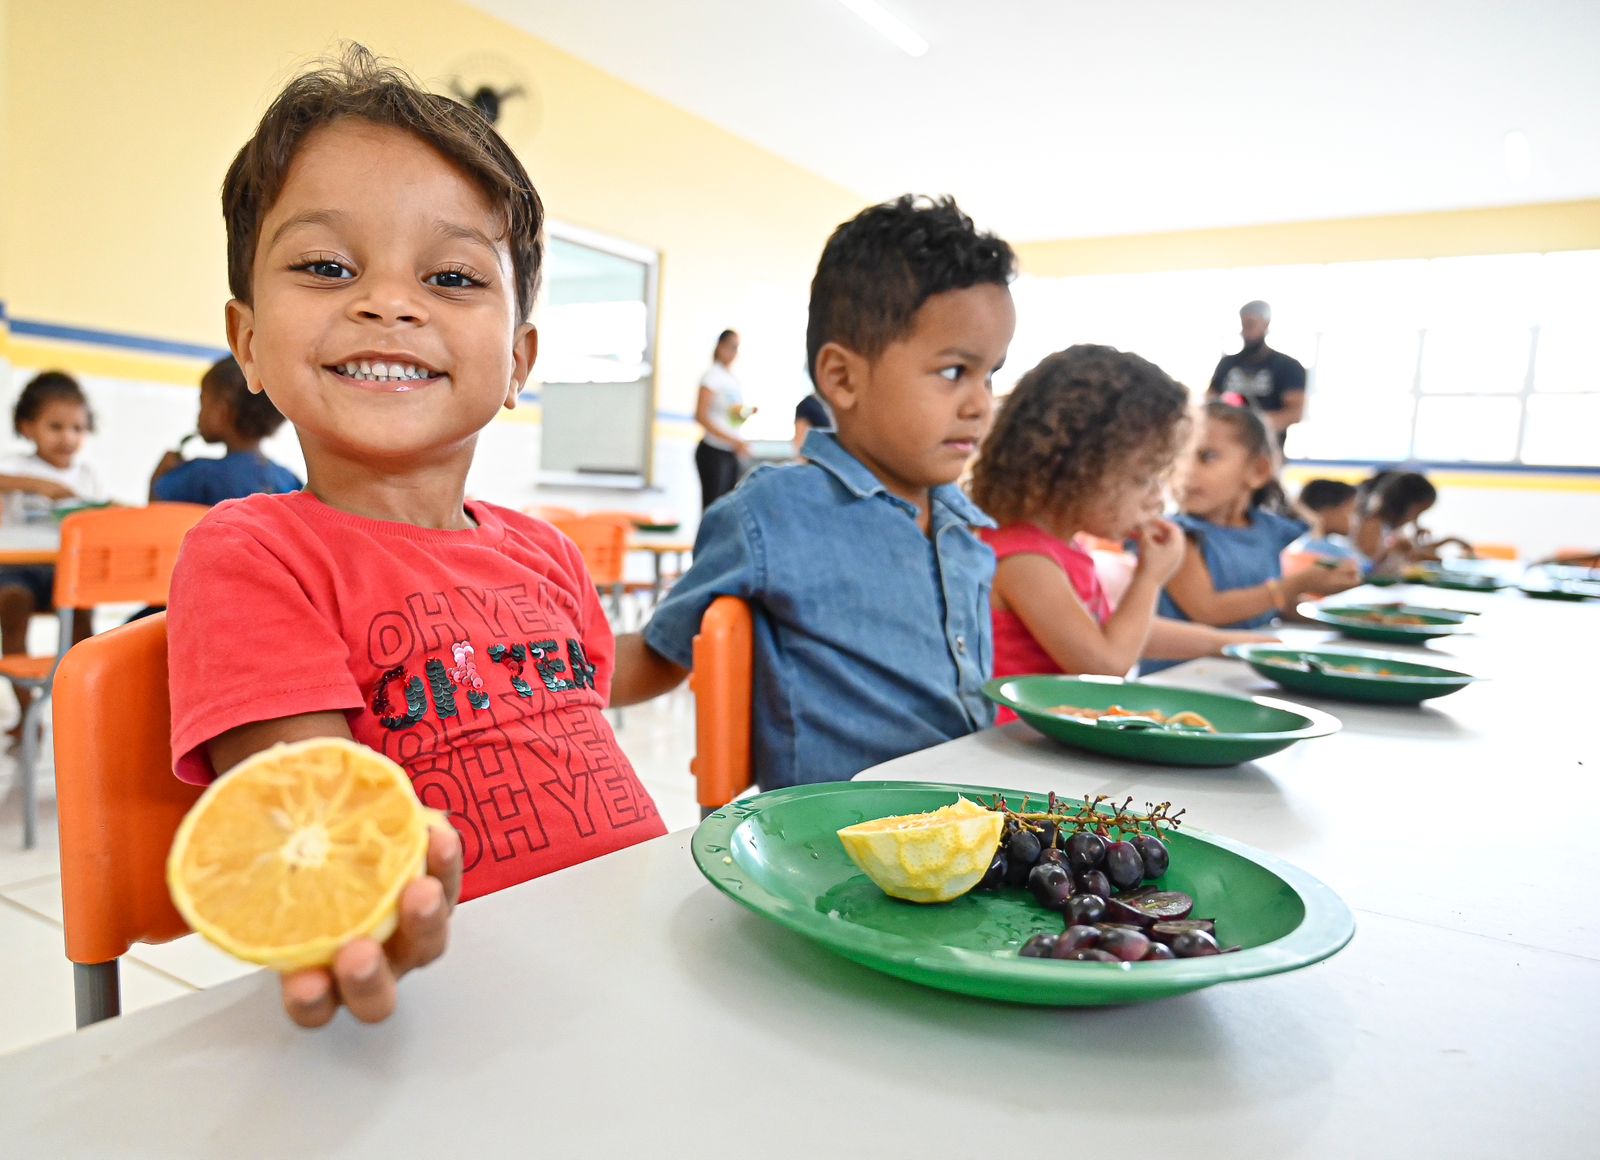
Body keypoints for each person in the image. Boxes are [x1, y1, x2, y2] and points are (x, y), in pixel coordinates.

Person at [165, 46, 665, 1028]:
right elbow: (317, 831)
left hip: (627, 971)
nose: (388, 303)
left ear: (519, 358)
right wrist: (373, 917)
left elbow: (584, 738)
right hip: (435, 1009)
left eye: (449, 275)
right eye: (325, 266)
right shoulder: (252, 554)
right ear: (249, 338)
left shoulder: (547, 551)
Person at [611, 195, 1017, 788]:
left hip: (971, 829)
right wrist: (528, 682)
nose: (981, 403)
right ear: (843, 378)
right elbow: (659, 653)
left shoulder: (966, 529)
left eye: (992, 375)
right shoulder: (775, 514)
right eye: (955, 372)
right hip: (840, 849)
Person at [967, 345, 1275, 717]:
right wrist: (1150, 578)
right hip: (1009, 750)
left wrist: (1226, 644)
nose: (1156, 501)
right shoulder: (1025, 560)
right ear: (1083, 469)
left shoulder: (1060, 547)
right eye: (1143, 478)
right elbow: (1104, 662)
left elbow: (1122, 632)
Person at [1158, 402, 1358, 637]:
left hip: (1243, 665)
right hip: (1181, 672)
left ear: (1258, 471)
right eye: (1178, 456)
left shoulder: (1267, 531)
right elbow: (1207, 610)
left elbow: (1268, 606)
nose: (1186, 470)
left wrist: (1335, 620)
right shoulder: (1174, 535)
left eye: (1206, 457)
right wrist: (1296, 585)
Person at [0, 371, 100, 727]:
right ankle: (28, 711)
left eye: (77, 428)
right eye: (55, 427)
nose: (67, 438)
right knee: (12, 604)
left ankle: (80, 707)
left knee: (85, 618)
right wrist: (44, 485)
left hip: (64, 571)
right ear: (28, 428)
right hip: (16, 570)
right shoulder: (15, 465)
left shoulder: (85, 474)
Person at [149, 356, 303, 504]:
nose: (199, 414)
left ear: (223, 412)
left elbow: (158, 517)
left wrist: (158, 478)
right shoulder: (289, 480)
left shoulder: (199, 475)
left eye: (203, 403)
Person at [1207, 301, 1307, 451]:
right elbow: (1210, 401)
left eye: (1251, 324)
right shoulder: (1227, 364)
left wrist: (1252, 425)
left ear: (1265, 325)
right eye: (1243, 324)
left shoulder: (1288, 366)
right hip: (1227, 449)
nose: (1245, 331)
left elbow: (1295, 413)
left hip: (1267, 450)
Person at [694, 329, 753, 510]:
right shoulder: (712, 376)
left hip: (730, 452)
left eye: (737, 348)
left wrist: (747, 413)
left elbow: (730, 417)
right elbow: (701, 416)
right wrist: (732, 441)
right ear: (720, 346)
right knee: (713, 508)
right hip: (713, 451)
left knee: (727, 509)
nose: (734, 353)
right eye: (732, 347)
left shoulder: (731, 379)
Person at [1287, 478, 1368, 570]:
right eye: (1351, 511)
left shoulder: (1336, 543)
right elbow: (1364, 569)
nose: (1356, 520)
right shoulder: (1317, 549)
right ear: (1327, 511)